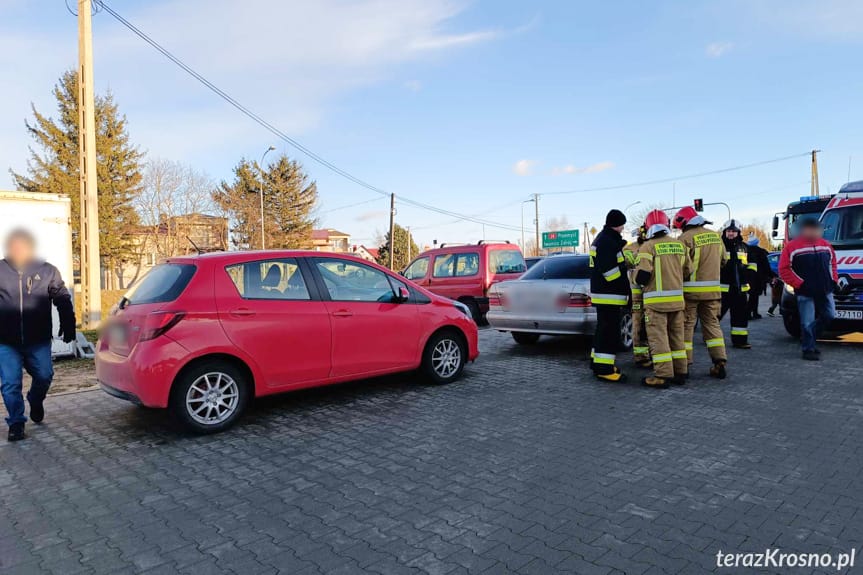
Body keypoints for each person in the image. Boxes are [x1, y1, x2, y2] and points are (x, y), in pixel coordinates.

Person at [0, 229, 76, 442]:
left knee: (44, 375)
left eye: (22, 246)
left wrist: (68, 322)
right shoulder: (0, 270)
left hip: (38, 339)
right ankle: (16, 423)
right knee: (10, 383)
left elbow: (61, 296)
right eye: (13, 246)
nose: (18, 250)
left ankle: (35, 398)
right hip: (6, 341)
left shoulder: (48, 271)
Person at [636, 210, 691, 388]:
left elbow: (642, 276)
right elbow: (688, 272)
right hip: (677, 302)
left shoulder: (648, 246)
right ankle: (680, 372)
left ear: (648, 227)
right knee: (677, 337)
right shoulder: (680, 245)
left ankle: (662, 375)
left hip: (656, 303)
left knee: (658, 339)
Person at [673, 207, 728, 379]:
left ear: (684, 223)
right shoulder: (716, 236)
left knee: (686, 326)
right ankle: (719, 361)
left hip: (690, 292)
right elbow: (724, 261)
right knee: (712, 325)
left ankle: (685, 365)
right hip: (712, 292)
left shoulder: (684, 238)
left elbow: (682, 266)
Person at [778, 217, 838, 360]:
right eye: (811, 229)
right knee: (807, 321)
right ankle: (808, 349)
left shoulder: (826, 245)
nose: (815, 232)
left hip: (825, 289)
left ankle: (808, 338)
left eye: (817, 229)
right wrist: (800, 284)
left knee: (830, 315)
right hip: (805, 291)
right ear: (804, 230)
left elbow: (833, 264)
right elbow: (784, 269)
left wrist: (833, 280)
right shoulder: (792, 247)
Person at [589, 209, 631, 382]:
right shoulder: (607, 242)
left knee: (602, 331)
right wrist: (625, 278)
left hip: (604, 295)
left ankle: (597, 363)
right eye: (622, 225)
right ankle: (605, 370)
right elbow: (611, 274)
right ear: (617, 224)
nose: (623, 229)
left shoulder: (604, 239)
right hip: (609, 296)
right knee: (609, 333)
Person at [719, 220, 752, 349]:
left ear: (738, 232)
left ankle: (740, 341)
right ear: (724, 232)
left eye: (733, 231)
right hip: (723, 289)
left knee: (740, 317)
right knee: (715, 316)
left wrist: (749, 278)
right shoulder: (719, 246)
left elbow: (752, 265)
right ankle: (710, 337)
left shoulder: (744, 247)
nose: (731, 233)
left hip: (740, 289)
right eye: (728, 231)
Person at [623, 226, 650, 368]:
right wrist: (641, 253)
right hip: (637, 295)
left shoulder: (654, 245)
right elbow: (627, 262)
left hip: (653, 294)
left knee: (654, 325)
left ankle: (655, 353)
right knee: (639, 324)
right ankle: (641, 356)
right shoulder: (630, 248)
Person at [745, 235, 773, 320]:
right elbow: (766, 266)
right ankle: (749, 313)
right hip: (758, 278)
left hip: (747, 277)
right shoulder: (761, 252)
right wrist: (772, 275)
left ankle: (754, 313)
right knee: (754, 296)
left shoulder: (744, 251)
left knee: (752, 295)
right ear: (757, 242)